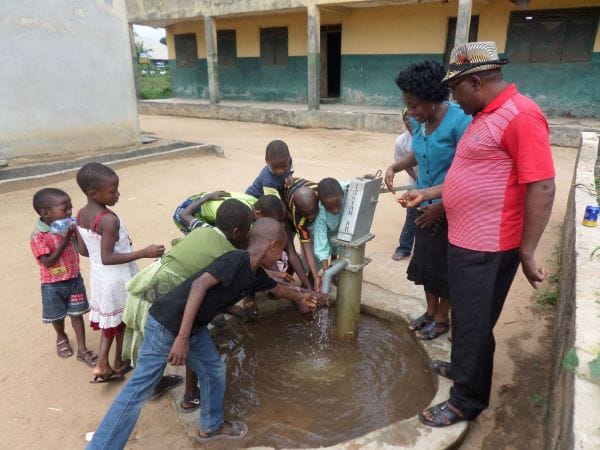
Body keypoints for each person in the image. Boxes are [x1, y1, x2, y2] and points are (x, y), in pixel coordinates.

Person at [401, 42, 555, 427]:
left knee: (472, 321)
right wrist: (432, 192)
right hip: (466, 239)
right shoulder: (487, 115)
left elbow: (543, 186)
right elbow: (468, 175)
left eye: (456, 91)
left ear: (474, 81)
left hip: (489, 244)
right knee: (471, 317)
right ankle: (462, 368)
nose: (453, 98)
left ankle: (464, 402)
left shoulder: (521, 116)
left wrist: (528, 251)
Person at [87, 218, 322, 448]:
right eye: (280, 251)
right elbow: (199, 285)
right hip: (168, 325)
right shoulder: (236, 259)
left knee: (213, 370)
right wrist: (181, 338)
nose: (280, 257)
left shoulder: (254, 273)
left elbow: (280, 290)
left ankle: (211, 426)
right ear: (273, 246)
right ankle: (101, 445)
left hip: (192, 328)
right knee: (139, 389)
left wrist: (303, 295)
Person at [384, 60, 471, 340]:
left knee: (445, 268)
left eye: (415, 106)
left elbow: (470, 175)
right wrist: (395, 166)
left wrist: (442, 206)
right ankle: (431, 312)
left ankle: (443, 318)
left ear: (433, 99)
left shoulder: (461, 122)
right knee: (426, 264)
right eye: (407, 105)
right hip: (423, 204)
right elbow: (418, 152)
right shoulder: (421, 123)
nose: (411, 113)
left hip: (453, 209)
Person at [76, 162, 165, 383]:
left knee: (112, 321)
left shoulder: (80, 214)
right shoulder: (109, 220)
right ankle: (117, 361)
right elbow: (108, 258)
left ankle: (104, 363)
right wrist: (144, 252)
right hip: (117, 276)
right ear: (93, 193)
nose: (117, 194)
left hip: (99, 276)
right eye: (112, 191)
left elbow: (84, 250)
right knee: (123, 319)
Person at [30, 188, 97, 367]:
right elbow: (47, 262)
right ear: (45, 213)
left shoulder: (68, 228)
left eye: (70, 209)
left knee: (76, 314)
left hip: (74, 279)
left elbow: (82, 248)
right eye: (64, 209)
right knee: (57, 316)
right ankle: (61, 336)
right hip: (52, 285)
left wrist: (81, 232)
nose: (69, 213)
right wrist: (65, 240)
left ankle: (82, 350)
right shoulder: (39, 236)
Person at [282, 177, 321, 291]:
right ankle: (300, 271)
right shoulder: (297, 217)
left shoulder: (319, 193)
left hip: (301, 191)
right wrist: (315, 276)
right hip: (287, 202)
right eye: (307, 215)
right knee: (299, 241)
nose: (311, 217)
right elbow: (307, 247)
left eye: (313, 213)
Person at [391, 109, 419, 261]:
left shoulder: (428, 135)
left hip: (435, 183)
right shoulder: (402, 141)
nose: (409, 121)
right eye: (406, 118)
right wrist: (416, 178)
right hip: (415, 183)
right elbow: (402, 163)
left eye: (412, 117)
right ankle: (404, 248)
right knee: (412, 216)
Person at [172, 190, 257, 234]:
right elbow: (183, 215)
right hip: (189, 213)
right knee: (197, 237)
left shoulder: (253, 200)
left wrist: (208, 197)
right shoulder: (212, 233)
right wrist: (207, 197)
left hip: (202, 199)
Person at [313, 177, 347, 273]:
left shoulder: (346, 190)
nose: (335, 210)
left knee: (336, 246)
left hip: (339, 228)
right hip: (326, 231)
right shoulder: (320, 215)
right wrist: (326, 271)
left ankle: (334, 263)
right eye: (330, 209)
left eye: (338, 205)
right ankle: (330, 270)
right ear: (322, 204)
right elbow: (321, 243)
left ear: (342, 196)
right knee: (323, 252)